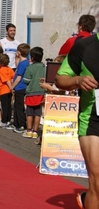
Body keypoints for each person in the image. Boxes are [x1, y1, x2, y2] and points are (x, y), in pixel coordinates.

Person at [55, 31, 99, 209]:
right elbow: (60, 79)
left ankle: (86, 198)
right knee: (97, 182)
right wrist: (78, 80)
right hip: (93, 121)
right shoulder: (85, 46)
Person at [21, 47, 45, 139]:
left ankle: (29, 130)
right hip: (41, 92)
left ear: (32, 57)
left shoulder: (30, 67)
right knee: (38, 113)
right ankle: (35, 131)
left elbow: (26, 80)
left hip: (31, 92)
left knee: (29, 112)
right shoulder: (44, 67)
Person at [10, 43, 30, 133]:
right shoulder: (23, 62)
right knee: (17, 106)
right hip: (20, 88)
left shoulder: (23, 63)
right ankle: (17, 123)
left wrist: (12, 86)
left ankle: (21, 124)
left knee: (19, 107)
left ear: (19, 52)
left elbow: (19, 77)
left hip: (20, 87)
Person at [0, 54, 15, 128]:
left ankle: (4, 121)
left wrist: (11, 88)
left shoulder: (1, 69)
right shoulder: (9, 68)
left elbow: (6, 80)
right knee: (9, 106)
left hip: (4, 90)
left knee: (4, 106)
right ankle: (8, 120)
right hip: (8, 91)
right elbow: (13, 77)